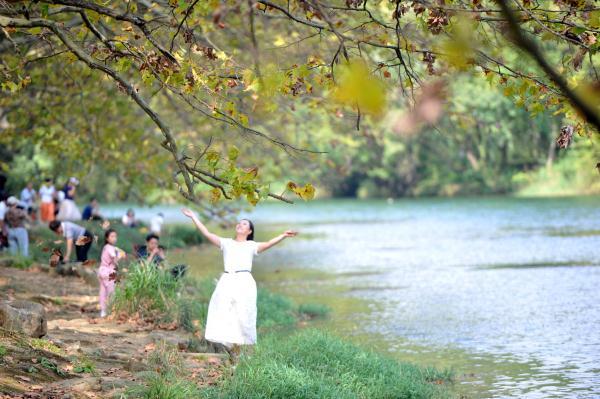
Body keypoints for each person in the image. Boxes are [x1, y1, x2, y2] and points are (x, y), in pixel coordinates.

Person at [181, 208, 297, 349]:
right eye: (239, 223)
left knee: (244, 312)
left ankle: (243, 346)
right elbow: (207, 233)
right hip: (227, 279)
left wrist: (283, 235)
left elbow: (268, 243)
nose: (240, 225)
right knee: (221, 309)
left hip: (244, 281)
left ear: (249, 232)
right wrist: (194, 216)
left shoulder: (251, 246)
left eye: (244, 224)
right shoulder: (226, 243)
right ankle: (227, 345)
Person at [97, 229, 125, 318]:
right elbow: (115, 260)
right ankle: (111, 310)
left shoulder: (106, 247)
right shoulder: (110, 248)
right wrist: (120, 255)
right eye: (112, 236)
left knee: (103, 291)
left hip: (102, 271)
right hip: (109, 273)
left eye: (115, 236)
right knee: (111, 292)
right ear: (107, 238)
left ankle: (103, 311)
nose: (114, 238)